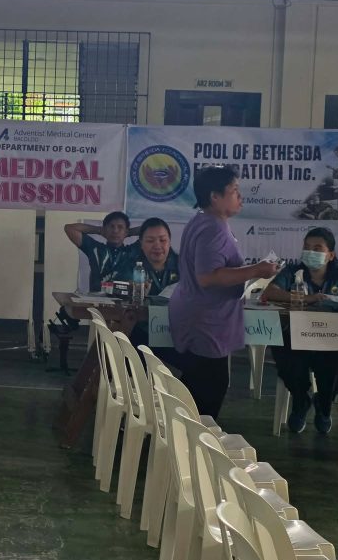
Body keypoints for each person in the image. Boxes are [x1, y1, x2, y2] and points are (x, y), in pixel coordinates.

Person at [168, 166, 279, 418]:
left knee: (198, 384)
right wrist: (256, 270)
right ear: (214, 197)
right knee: (209, 387)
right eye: (234, 190)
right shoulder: (213, 228)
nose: (240, 196)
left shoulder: (205, 221)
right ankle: (193, 439)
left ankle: (181, 436)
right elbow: (208, 277)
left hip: (201, 315)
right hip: (206, 320)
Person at [264, 227, 338, 434]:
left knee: (337, 369)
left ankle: (323, 406)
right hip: (297, 335)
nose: (310, 252)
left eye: (317, 248)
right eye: (307, 247)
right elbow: (271, 292)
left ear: (331, 255)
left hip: (330, 337)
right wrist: (307, 298)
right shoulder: (293, 273)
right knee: (286, 357)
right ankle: (301, 402)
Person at [126, 217, 180, 348]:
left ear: (169, 242)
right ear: (141, 243)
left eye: (163, 240)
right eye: (150, 241)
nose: (157, 246)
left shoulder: (184, 266)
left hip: (177, 333)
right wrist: (137, 296)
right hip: (140, 334)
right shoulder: (130, 267)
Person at [64, 212, 138, 292]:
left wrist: (129, 233)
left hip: (125, 299)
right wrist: (99, 230)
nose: (115, 231)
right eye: (111, 226)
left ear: (126, 231)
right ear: (105, 229)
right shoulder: (95, 248)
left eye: (120, 227)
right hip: (97, 299)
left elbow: (147, 229)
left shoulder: (133, 251)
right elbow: (69, 228)